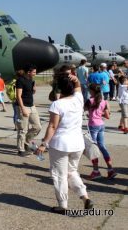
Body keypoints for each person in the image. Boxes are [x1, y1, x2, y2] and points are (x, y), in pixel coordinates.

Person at [35, 72, 93, 214]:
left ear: (59, 89)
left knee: (59, 175)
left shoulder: (57, 104)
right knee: (71, 171)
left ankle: (63, 205)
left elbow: (53, 126)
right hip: (78, 143)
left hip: (61, 144)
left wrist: (44, 143)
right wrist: (76, 80)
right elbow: (78, 87)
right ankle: (84, 196)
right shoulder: (79, 99)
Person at [85, 83, 118, 179]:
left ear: (92, 91)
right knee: (102, 147)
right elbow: (107, 116)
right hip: (101, 125)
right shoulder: (104, 101)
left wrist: (91, 114)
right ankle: (110, 170)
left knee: (93, 148)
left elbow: (82, 110)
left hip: (93, 125)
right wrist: (99, 113)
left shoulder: (90, 101)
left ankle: (96, 171)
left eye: (89, 90)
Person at [16, 65, 41, 156]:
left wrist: (34, 90)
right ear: (28, 72)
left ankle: (26, 142)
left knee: (37, 127)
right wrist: (23, 109)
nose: (35, 73)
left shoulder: (31, 80)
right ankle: (21, 149)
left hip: (31, 106)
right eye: (34, 72)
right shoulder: (20, 80)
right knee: (23, 129)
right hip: (23, 106)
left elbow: (30, 93)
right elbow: (18, 96)